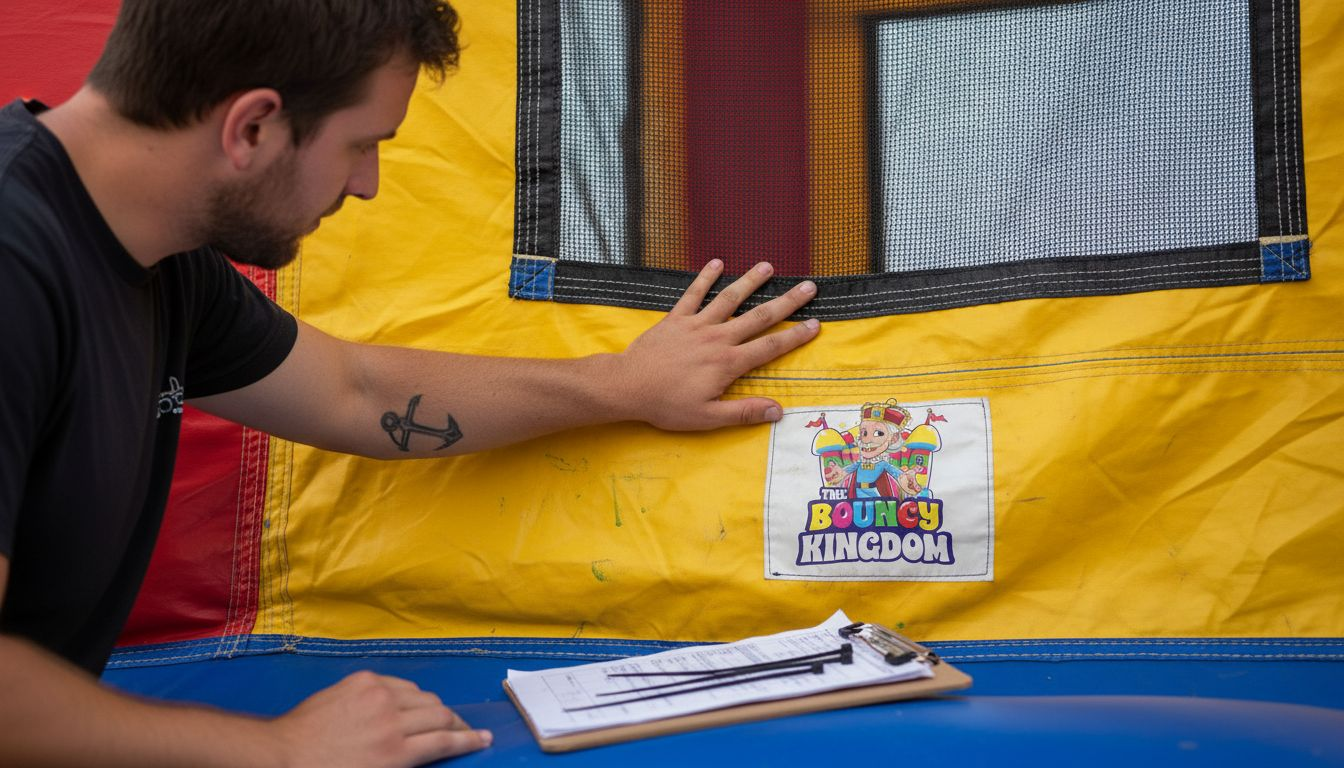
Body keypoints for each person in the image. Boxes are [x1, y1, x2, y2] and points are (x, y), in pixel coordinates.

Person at [0, 1, 819, 765]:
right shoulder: (15, 261)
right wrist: (283, 751)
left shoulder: (158, 255)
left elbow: (355, 393)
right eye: (362, 144)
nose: (367, 184)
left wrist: (624, 384)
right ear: (252, 126)